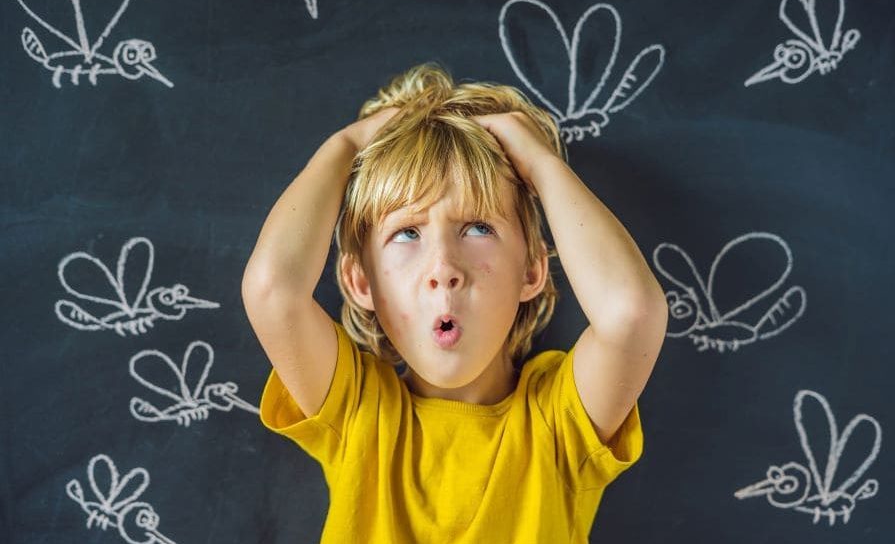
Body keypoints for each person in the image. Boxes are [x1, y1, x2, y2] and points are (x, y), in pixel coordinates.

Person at [241, 62, 668, 543]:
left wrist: (543, 164)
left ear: (531, 270)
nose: (443, 267)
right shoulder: (359, 411)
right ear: (362, 283)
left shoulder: (557, 422)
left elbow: (630, 313)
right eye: (407, 233)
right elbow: (272, 289)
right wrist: (344, 146)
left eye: (478, 228)